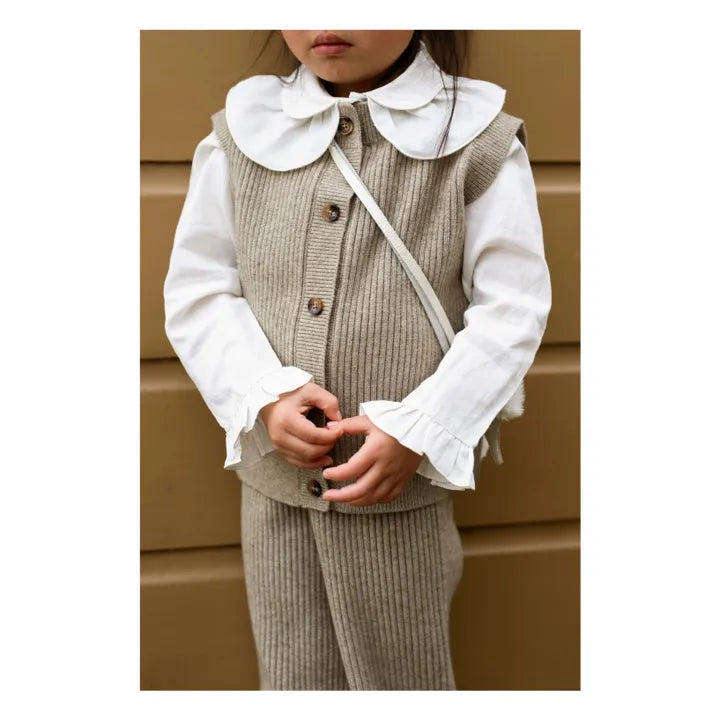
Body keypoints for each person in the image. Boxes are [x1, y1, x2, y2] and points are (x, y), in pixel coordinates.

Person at [163, 30, 552, 691]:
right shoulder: (244, 134)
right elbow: (198, 288)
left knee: (403, 682)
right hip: (276, 491)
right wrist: (264, 393)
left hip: (400, 492)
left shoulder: (477, 139)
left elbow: (512, 307)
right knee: (294, 679)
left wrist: (422, 427)